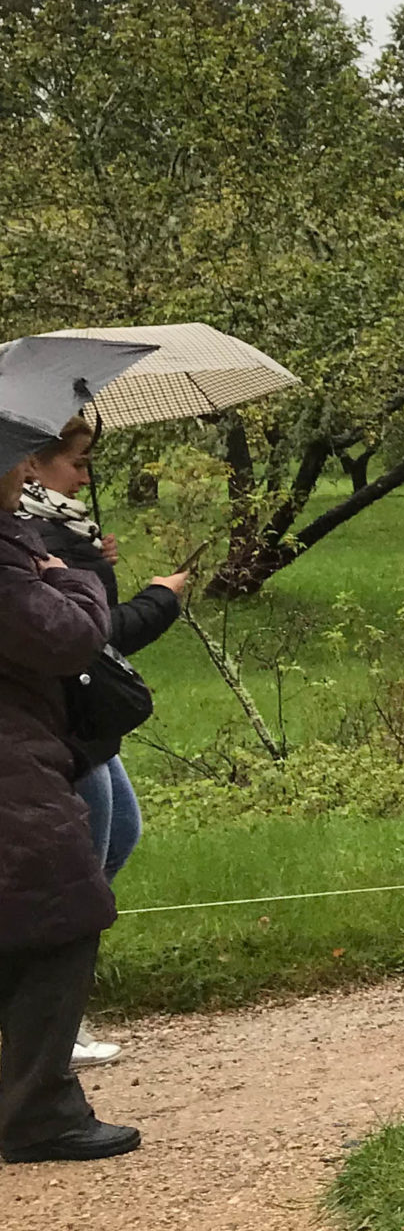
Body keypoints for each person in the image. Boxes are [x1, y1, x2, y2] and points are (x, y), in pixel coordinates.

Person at [15, 420, 187, 1063]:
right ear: (31, 464)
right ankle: (48, 1022)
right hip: (60, 721)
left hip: (85, 720)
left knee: (117, 838)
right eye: (78, 463)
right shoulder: (32, 535)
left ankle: (52, 1009)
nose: (86, 478)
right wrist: (159, 598)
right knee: (75, 871)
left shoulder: (63, 530)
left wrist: (92, 564)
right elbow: (89, 634)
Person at [0, 444, 136, 1163]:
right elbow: (69, 636)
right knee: (62, 912)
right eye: (17, 463)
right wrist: (73, 577)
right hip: (12, 761)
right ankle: (39, 1114)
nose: (25, 473)